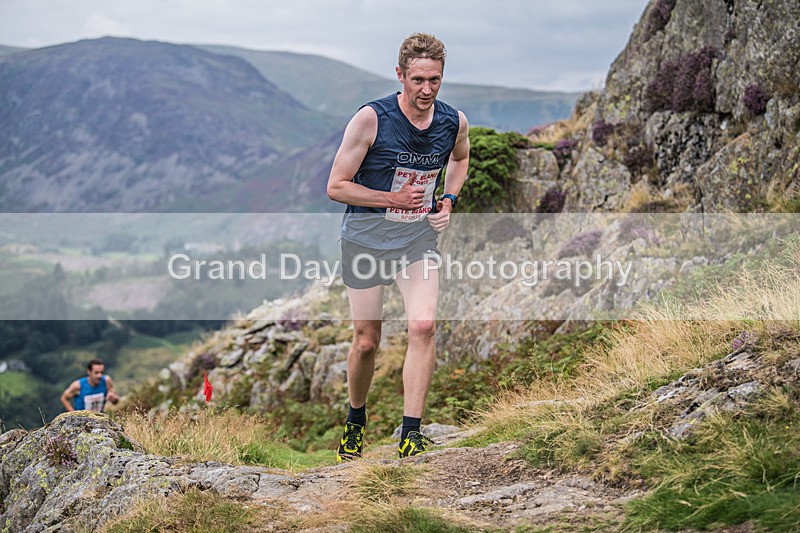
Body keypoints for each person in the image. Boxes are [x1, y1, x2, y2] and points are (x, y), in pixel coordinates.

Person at [326, 32, 469, 460]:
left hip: (416, 240)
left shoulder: (453, 121)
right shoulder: (371, 119)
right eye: (418, 80)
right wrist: (391, 198)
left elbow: (460, 158)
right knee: (367, 341)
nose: (427, 90)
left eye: (435, 80)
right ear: (400, 75)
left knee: (423, 326)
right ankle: (355, 422)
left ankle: (411, 431)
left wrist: (448, 200)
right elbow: (336, 187)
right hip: (366, 241)